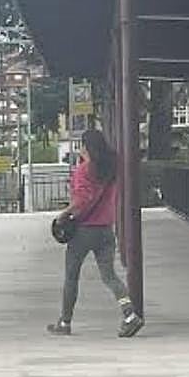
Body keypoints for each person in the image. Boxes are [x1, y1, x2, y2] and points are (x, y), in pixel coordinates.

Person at [48, 128, 144, 338]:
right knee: (110, 276)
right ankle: (130, 315)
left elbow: (81, 200)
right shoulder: (112, 169)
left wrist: (63, 214)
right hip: (105, 230)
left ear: (86, 147)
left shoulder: (84, 170)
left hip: (83, 230)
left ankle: (65, 322)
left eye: (81, 145)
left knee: (71, 277)